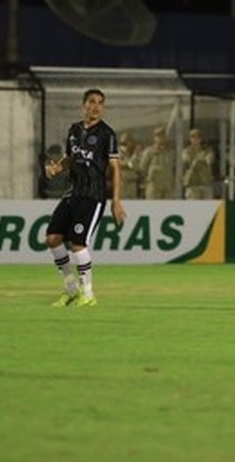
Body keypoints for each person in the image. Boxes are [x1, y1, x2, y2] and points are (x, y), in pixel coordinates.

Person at [43, 88, 126, 308]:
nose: (96, 106)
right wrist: (58, 169)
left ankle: (88, 294)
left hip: (93, 196)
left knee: (78, 244)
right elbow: (71, 158)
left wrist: (116, 201)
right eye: (92, 102)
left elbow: (116, 170)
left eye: (100, 102)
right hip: (72, 193)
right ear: (84, 105)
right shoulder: (74, 130)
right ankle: (71, 289)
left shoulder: (107, 134)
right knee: (52, 238)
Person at [140, 127, 176, 200]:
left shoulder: (170, 152)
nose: (160, 138)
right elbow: (142, 167)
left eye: (162, 136)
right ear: (154, 138)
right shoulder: (149, 151)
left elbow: (174, 168)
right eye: (158, 136)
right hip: (154, 186)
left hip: (167, 186)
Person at [182, 128, 216, 199]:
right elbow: (187, 161)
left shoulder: (207, 150)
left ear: (200, 139)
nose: (195, 140)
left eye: (197, 137)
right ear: (190, 139)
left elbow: (209, 160)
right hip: (192, 183)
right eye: (193, 137)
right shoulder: (186, 151)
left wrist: (197, 161)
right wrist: (201, 161)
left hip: (205, 183)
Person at [118, 132, 142, 200]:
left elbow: (137, 166)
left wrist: (135, 155)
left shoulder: (134, 153)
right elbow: (120, 164)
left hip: (133, 183)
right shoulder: (119, 152)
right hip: (123, 183)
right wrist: (129, 164)